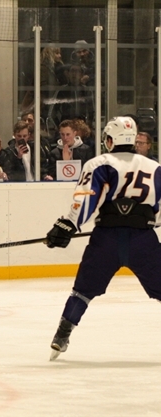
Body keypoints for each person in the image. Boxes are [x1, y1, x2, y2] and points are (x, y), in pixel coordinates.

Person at [44, 116, 161, 360]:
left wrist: (68, 225)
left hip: (106, 238)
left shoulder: (100, 163)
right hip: (143, 240)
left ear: (109, 139)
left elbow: (86, 199)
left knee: (83, 291)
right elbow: (157, 209)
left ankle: (62, 336)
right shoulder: (154, 166)